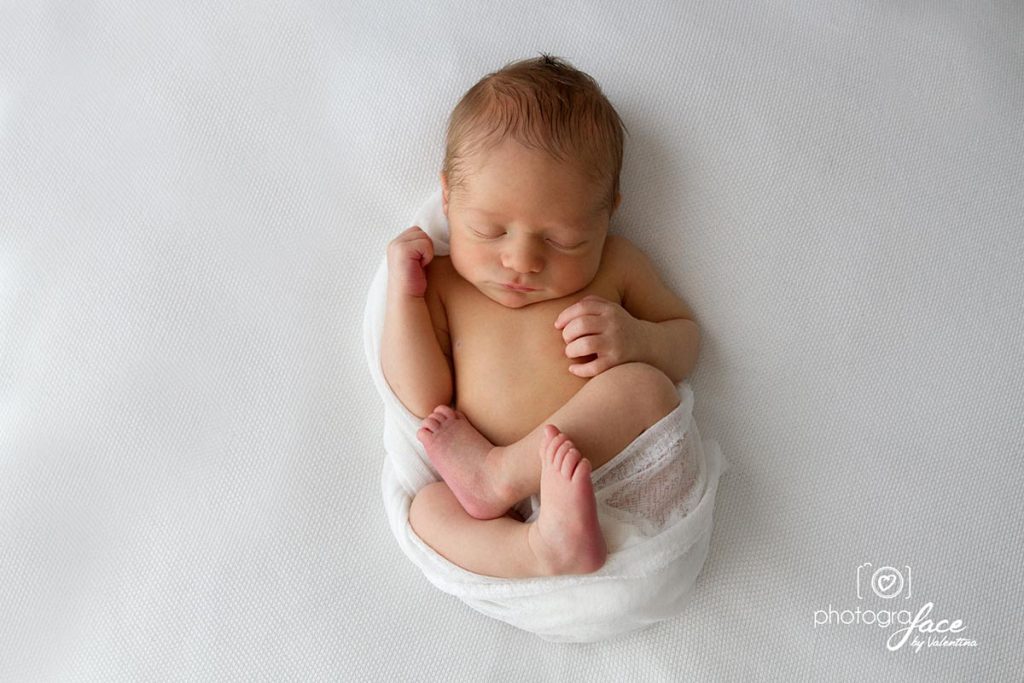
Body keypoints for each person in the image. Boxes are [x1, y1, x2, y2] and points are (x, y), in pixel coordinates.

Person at [381, 54, 699, 578]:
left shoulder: (617, 265)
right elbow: (422, 400)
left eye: (562, 240)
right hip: (502, 517)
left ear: (607, 213)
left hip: (614, 476)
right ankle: (538, 551)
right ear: (448, 198)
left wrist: (639, 340)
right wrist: (404, 298)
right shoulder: (443, 284)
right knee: (425, 511)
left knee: (646, 387)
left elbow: (687, 342)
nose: (522, 261)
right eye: (490, 231)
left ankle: (501, 472)